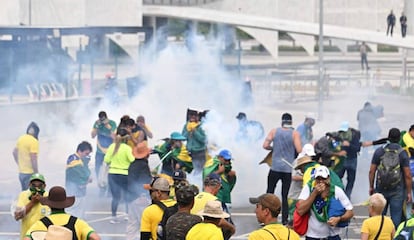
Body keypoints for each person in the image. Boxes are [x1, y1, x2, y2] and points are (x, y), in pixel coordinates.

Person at [262, 112, 302, 225]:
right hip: (287, 169)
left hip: (275, 167)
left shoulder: (274, 131)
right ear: (291, 122)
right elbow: (299, 150)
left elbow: (265, 145)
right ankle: (284, 219)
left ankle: (265, 216)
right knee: (285, 195)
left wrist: (273, 148)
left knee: (270, 192)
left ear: (282, 121)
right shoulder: (294, 133)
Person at [369, 128, 412, 228]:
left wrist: (371, 187)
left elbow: (372, 171)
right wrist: (409, 192)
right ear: (399, 138)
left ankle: (378, 236)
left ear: (389, 137)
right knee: (396, 217)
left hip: (380, 188)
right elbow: (407, 175)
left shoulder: (380, 151)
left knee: (378, 217)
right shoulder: (402, 153)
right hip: (397, 190)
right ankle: (394, 236)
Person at [296, 165, 354, 240]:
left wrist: (339, 219)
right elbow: (300, 210)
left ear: (329, 178)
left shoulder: (336, 190)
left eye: (323, 178)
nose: (321, 182)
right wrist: (314, 193)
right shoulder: (308, 188)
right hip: (313, 236)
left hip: (332, 236)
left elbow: (350, 212)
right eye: (318, 179)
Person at [23, 186, 100, 240]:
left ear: (49, 205)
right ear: (65, 204)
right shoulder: (78, 223)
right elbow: (95, 238)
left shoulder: (40, 224)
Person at [190, 173, 235, 239]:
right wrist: (232, 228)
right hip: (211, 234)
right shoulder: (215, 201)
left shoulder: (194, 198)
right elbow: (222, 221)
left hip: (195, 232)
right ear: (218, 186)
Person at [104, 128, 135, 224]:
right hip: (124, 174)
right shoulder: (127, 148)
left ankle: (113, 217)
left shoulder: (111, 147)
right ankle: (126, 215)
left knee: (115, 197)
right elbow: (132, 159)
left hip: (112, 174)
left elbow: (106, 160)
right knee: (126, 195)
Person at [126, 141, 153, 240]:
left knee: (132, 224)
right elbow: (144, 184)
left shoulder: (133, 164)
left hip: (131, 198)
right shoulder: (143, 165)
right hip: (140, 198)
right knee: (144, 224)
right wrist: (153, 186)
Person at [14, 173, 50, 240]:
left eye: (40, 185)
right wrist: (32, 202)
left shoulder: (49, 197)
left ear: (44, 186)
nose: (37, 188)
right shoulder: (23, 195)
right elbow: (17, 216)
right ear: (29, 185)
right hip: (26, 237)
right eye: (33, 185)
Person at [203, 149, 237, 214]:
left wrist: (231, 176)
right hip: (212, 198)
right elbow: (206, 177)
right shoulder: (212, 163)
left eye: (229, 160)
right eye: (226, 160)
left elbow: (227, 182)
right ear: (220, 157)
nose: (228, 162)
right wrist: (219, 172)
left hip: (220, 197)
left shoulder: (225, 166)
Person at [91, 111, 117, 195]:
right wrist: (97, 126)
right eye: (100, 119)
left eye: (103, 119)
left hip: (110, 151)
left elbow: (114, 136)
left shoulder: (112, 123)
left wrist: (108, 126)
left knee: (110, 170)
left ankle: (110, 189)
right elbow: (92, 135)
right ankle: (101, 187)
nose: (102, 120)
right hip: (99, 151)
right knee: (97, 169)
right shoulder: (97, 123)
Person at [65, 141, 93, 219]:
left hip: (78, 191)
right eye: (86, 154)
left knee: (79, 211)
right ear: (80, 151)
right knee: (74, 212)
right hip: (75, 191)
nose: (87, 156)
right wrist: (87, 180)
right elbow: (82, 177)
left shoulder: (77, 159)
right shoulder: (75, 162)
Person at [336, 121, 362, 199]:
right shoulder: (339, 136)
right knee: (338, 177)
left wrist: (349, 145)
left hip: (352, 160)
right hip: (342, 160)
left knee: (351, 179)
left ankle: (347, 195)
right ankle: (340, 193)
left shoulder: (354, 136)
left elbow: (357, 148)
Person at [13, 122, 40, 190]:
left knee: (24, 194)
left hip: (21, 173)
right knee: (31, 196)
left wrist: (19, 163)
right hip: (30, 174)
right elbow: (33, 158)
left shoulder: (21, 138)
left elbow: (14, 152)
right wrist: (36, 172)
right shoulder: (34, 141)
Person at [182, 109, 207, 175]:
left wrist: (195, 132)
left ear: (198, 117)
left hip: (200, 153)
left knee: (199, 171)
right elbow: (183, 138)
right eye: (191, 115)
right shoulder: (186, 126)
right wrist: (188, 132)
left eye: (194, 115)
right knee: (189, 170)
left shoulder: (202, 126)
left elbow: (204, 140)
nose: (192, 117)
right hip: (189, 152)